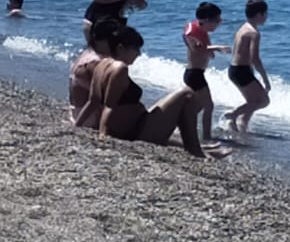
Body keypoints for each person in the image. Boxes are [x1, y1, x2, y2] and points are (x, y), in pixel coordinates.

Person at [89, 28, 209, 157]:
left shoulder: (101, 65)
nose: (139, 54)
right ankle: (195, 150)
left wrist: (77, 125)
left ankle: (197, 147)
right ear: (120, 48)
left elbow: (93, 101)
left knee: (177, 102)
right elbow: (109, 105)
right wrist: (103, 135)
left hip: (136, 125)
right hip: (135, 133)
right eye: (136, 49)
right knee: (187, 94)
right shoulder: (120, 68)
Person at [225, 0, 273, 135]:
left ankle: (242, 125)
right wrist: (265, 79)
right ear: (259, 15)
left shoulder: (243, 28)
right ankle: (233, 115)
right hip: (241, 71)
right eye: (265, 14)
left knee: (251, 102)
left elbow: (238, 52)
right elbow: (255, 58)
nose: (266, 17)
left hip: (234, 69)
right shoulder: (254, 33)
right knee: (264, 101)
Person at [182, 1, 225, 142]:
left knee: (199, 105)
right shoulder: (193, 33)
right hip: (194, 74)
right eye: (217, 20)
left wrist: (211, 50)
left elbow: (206, 51)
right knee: (209, 105)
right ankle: (206, 137)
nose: (219, 23)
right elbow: (196, 48)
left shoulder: (202, 31)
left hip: (196, 73)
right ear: (207, 21)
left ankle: (181, 124)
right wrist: (216, 48)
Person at [69, 16, 123, 128]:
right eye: (113, 41)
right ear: (102, 41)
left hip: (76, 112)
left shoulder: (86, 54)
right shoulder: (96, 62)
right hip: (88, 118)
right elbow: (98, 99)